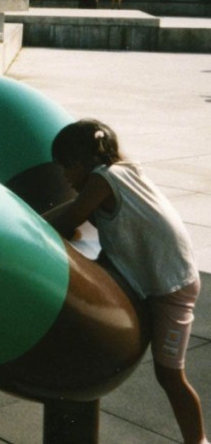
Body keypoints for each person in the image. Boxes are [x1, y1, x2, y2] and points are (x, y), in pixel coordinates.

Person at [44, 120, 207, 444]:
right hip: (154, 279)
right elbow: (75, 211)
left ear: (82, 162)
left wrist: (33, 225)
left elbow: (71, 217)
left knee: (170, 375)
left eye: (66, 168)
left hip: (171, 288)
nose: (64, 177)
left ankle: (198, 441)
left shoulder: (104, 180)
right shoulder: (121, 171)